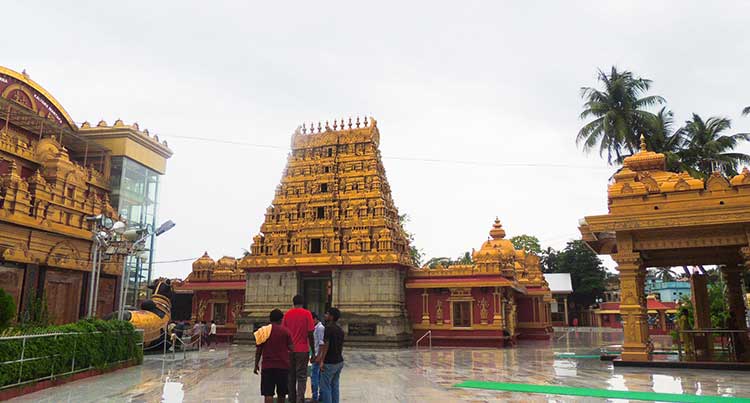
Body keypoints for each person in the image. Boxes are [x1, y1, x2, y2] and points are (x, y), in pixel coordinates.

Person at [254, 309, 294, 403]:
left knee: (268, 393)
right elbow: (292, 349)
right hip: (283, 366)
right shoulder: (286, 332)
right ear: (281, 319)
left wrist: (256, 365)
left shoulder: (263, 331)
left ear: (270, 319)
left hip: (267, 366)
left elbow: (258, 350)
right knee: (281, 393)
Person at [282, 295, 315, 403]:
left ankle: (292, 399)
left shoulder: (287, 314)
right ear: (303, 303)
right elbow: (310, 333)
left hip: (289, 350)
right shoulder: (307, 314)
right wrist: (313, 352)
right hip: (303, 349)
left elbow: (284, 333)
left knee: (291, 376)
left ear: (293, 303)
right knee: (301, 376)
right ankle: (300, 399)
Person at [317, 307, 344, 403]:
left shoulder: (328, 328)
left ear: (331, 317)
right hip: (339, 361)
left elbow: (326, 344)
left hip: (329, 362)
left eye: (327, 314)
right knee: (335, 385)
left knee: (325, 387)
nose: (325, 315)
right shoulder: (340, 329)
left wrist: (322, 361)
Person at [310, 312, 325, 402]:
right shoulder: (316, 328)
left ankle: (315, 396)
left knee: (315, 376)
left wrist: (319, 356)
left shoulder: (320, 328)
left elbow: (321, 343)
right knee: (317, 376)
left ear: (315, 318)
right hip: (315, 354)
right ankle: (318, 395)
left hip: (318, 355)